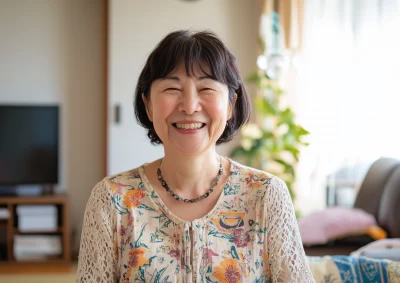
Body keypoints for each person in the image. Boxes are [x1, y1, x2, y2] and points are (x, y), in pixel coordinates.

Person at [77, 30, 315, 283]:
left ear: (230, 105)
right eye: (171, 88)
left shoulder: (266, 195)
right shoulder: (112, 200)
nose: (190, 106)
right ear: (148, 105)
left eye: (206, 88)